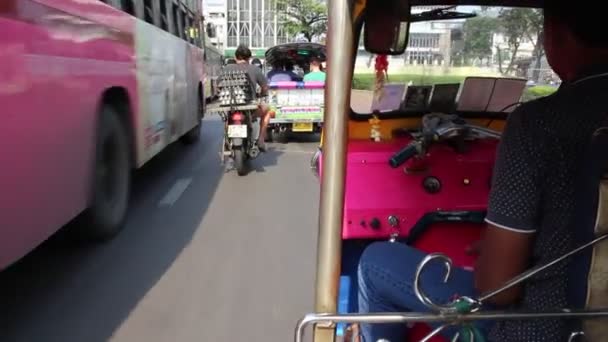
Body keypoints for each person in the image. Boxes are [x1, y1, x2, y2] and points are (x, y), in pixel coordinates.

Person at [356, 3, 608, 342]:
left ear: (556, 34)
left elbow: (498, 290)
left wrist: (496, 253)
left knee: (376, 261)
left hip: (541, 328)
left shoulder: (539, 125)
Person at [223, 45, 270, 150]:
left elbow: (218, 86)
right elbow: (265, 87)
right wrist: (262, 94)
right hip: (250, 106)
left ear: (236, 57)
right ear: (249, 58)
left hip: (231, 104)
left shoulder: (227, 69)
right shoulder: (255, 69)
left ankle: (226, 141)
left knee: (227, 117)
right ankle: (261, 140)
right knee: (267, 110)